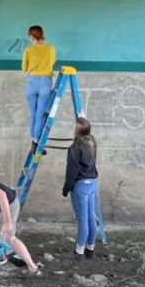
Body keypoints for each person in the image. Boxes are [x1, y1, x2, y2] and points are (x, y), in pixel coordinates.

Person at [62, 117, 99, 260]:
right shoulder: (92, 142)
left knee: (82, 219)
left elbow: (71, 172)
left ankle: (79, 251)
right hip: (92, 183)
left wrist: (65, 191)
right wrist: (82, 115)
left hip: (81, 186)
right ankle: (90, 249)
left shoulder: (74, 147)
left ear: (77, 129)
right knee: (90, 216)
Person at [22, 25, 56, 155]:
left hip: (31, 81)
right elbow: (52, 62)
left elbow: (24, 68)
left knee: (33, 114)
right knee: (41, 115)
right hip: (45, 82)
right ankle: (36, 143)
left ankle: (34, 140)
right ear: (41, 34)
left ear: (31, 36)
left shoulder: (28, 50)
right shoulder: (50, 48)